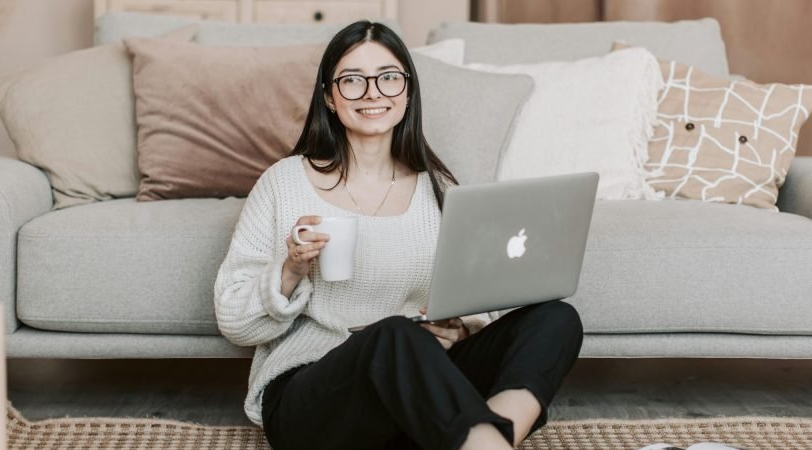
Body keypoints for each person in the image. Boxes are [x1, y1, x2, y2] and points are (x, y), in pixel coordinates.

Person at [213, 20, 584, 450]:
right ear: (330, 97)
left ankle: (492, 437)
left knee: (555, 318)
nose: (373, 93)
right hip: (314, 401)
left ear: (407, 93)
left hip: (416, 392)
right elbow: (233, 321)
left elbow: (473, 300)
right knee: (394, 334)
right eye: (353, 80)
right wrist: (291, 269)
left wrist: (459, 331)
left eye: (388, 78)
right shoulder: (285, 182)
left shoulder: (440, 190)